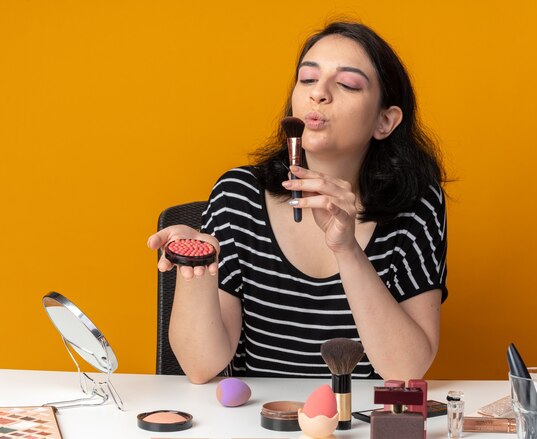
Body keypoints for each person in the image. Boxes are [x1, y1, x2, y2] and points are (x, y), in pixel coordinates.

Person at [148, 21, 447, 383]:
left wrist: (347, 249)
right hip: (257, 421)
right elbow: (200, 367)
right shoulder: (237, 195)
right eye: (307, 79)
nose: (318, 94)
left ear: (385, 121)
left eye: (347, 84)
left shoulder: (417, 203)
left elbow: (405, 369)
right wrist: (194, 262)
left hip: (359, 420)